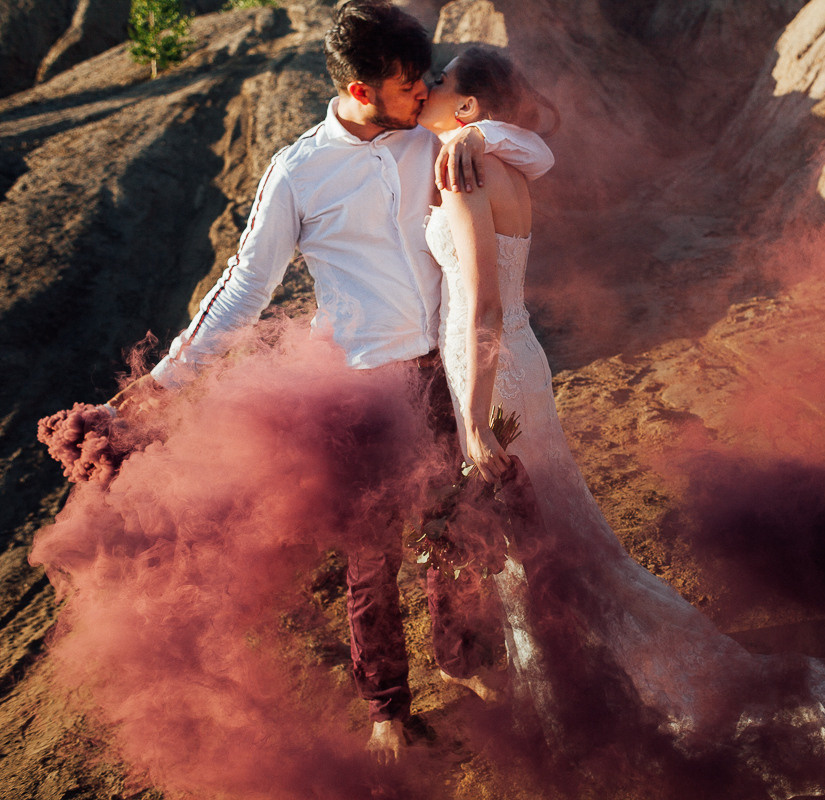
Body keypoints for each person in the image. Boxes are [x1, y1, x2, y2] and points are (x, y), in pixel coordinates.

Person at [419, 47, 825, 797]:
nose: (427, 87)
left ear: (468, 109)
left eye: (440, 83)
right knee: (554, 536)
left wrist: (477, 424)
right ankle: (582, 689)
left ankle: (577, 716)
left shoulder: (464, 167)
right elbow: (528, 165)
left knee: (525, 545)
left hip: (492, 369)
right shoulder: (493, 155)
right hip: (513, 357)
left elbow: (479, 308)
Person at [117, 1, 555, 762]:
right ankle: (387, 706)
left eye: (426, 79)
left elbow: (535, 152)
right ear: (359, 87)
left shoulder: (432, 136)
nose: (422, 93)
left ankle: (465, 664)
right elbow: (245, 287)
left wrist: (476, 136)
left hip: (443, 369)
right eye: (406, 82)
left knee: (456, 533)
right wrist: (163, 380)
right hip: (357, 384)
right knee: (369, 557)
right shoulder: (298, 172)